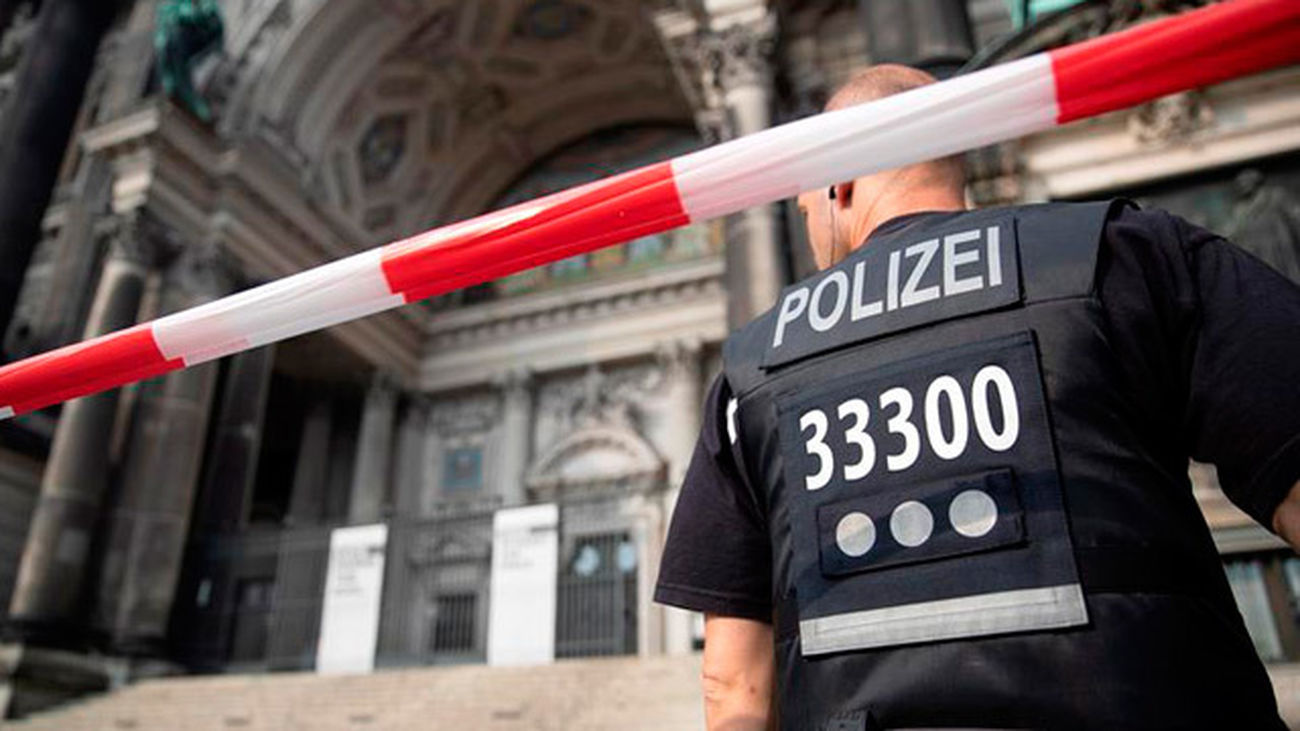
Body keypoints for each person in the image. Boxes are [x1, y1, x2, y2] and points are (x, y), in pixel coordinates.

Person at [655, 64, 1300, 730]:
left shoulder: (751, 371)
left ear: (838, 182)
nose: (812, 229)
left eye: (806, 206)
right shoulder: (1122, 254)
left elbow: (734, 689)